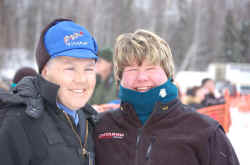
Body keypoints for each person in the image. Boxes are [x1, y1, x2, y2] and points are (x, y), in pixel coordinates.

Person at [94, 29, 239, 165]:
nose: (142, 77)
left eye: (151, 68)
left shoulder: (205, 131)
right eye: (132, 70)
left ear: (168, 73)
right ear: (120, 77)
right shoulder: (101, 126)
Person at [0, 18, 98, 165]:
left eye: (89, 69)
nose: (81, 79)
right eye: (70, 68)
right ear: (45, 71)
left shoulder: (90, 121)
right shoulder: (18, 122)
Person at [89, 48, 120, 112]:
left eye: (99, 61)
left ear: (110, 64)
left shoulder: (116, 82)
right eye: (95, 61)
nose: (96, 64)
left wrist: (100, 108)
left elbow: (114, 104)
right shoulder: (96, 80)